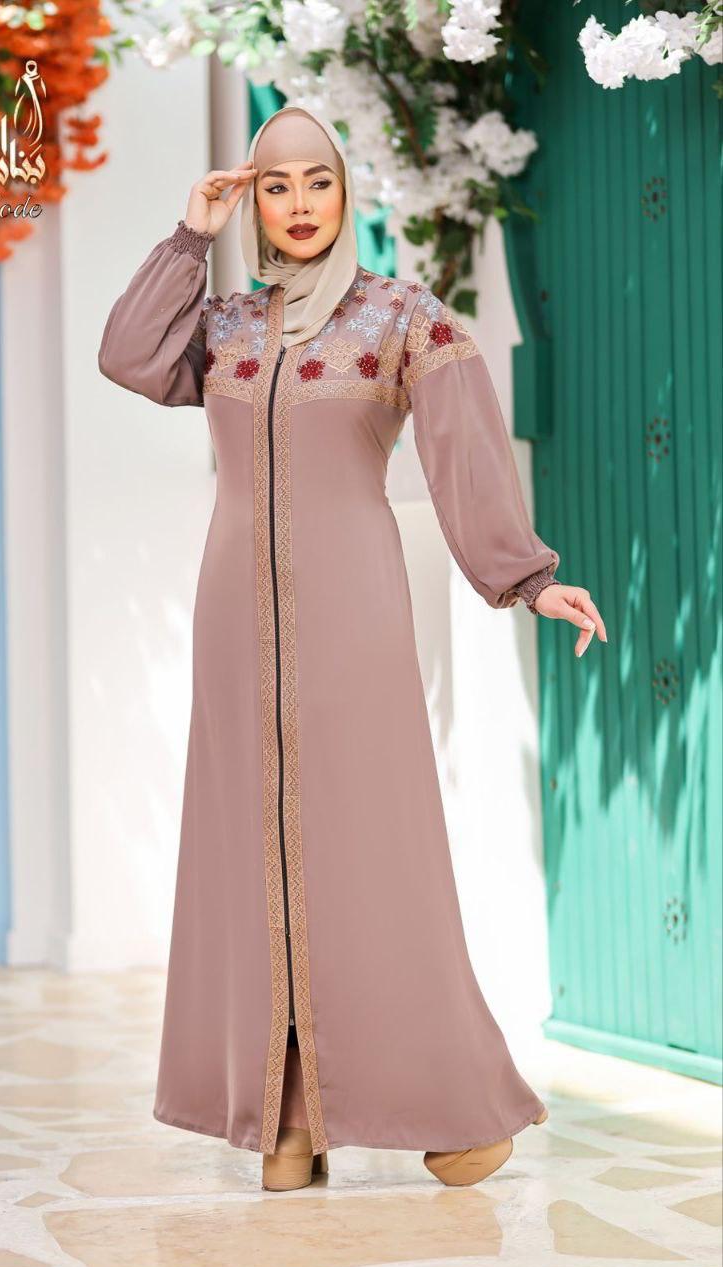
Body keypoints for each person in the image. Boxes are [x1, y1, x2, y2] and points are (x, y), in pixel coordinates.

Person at [98, 105, 607, 1193]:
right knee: (253, 856)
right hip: (234, 622)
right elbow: (126, 355)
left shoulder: (400, 317)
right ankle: (286, 1117)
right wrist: (188, 237)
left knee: (374, 857)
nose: (297, 204)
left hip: (352, 618)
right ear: (254, 201)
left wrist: (525, 576)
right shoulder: (225, 324)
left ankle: (451, 1105)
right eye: (275, 185)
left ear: (344, 193)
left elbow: (465, 451)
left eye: (316, 182)